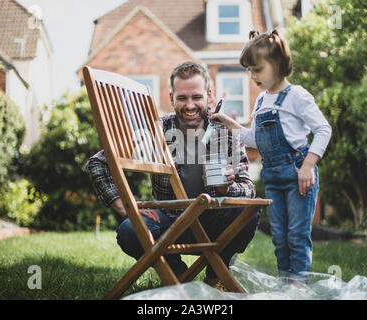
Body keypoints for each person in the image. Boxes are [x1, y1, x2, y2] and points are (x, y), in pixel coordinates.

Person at [84, 61, 259, 290]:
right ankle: (177, 275)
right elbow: (97, 163)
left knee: (248, 212)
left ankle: (216, 276)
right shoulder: (156, 130)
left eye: (196, 97)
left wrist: (228, 188)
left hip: (212, 221)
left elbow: (249, 188)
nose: (190, 105)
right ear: (171, 97)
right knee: (129, 232)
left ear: (209, 95)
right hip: (169, 220)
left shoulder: (226, 131)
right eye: (182, 98)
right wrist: (124, 206)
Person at [211, 30, 332, 283]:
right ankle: (286, 285)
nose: (252, 76)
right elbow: (256, 140)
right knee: (279, 236)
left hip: (299, 175)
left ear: (277, 64)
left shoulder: (297, 96)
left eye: (257, 69)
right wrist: (229, 123)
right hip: (273, 177)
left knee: (297, 235)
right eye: (250, 71)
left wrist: (308, 165)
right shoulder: (260, 101)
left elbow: (323, 129)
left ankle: (298, 288)